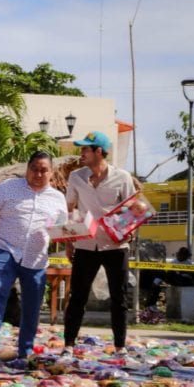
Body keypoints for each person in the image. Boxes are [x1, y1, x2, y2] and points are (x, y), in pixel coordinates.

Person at [0, 151, 67, 359]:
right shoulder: (7, 187)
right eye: (34, 168)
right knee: (0, 287)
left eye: (43, 170)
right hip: (6, 248)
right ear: (27, 168)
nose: (38, 174)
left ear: (51, 173)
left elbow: (61, 230)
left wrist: (70, 240)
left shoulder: (58, 198)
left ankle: (25, 350)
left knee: (32, 304)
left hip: (36, 257)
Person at [64, 131, 136, 356]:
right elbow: (70, 209)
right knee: (78, 296)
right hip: (85, 245)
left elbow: (134, 209)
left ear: (99, 151)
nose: (81, 153)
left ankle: (120, 347)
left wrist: (130, 231)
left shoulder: (122, 177)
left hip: (116, 246)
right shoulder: (76, 177)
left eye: (85, 149)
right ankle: (68, 346)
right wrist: (68, 242)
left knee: (119, 298)